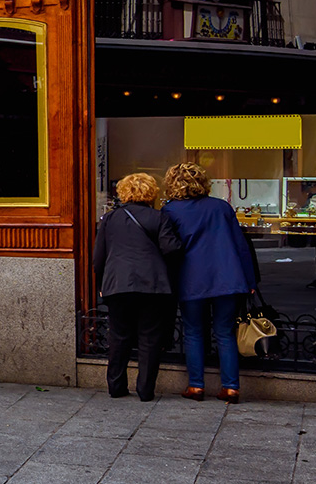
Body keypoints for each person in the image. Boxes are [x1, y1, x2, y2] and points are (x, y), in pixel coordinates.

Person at [164, 162, 259, 403]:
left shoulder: (170, 211)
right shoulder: (221, 207)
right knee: (225, 332)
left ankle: (196, 386)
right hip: (227, 277)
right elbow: (241, 246)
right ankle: (230, 387)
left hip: (191, 278)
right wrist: (249, 279)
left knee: (194, 332)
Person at [92, 173, 183, 402]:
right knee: (149, 337)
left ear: (124, 192)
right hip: (152, 285)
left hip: (117, 285)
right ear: (151, 192)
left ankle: (116, 386)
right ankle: (145, 390)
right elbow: (171, 249)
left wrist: (102, 284)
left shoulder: (109, 220)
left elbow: (98, 258)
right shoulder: (159, 218)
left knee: (119, 336)